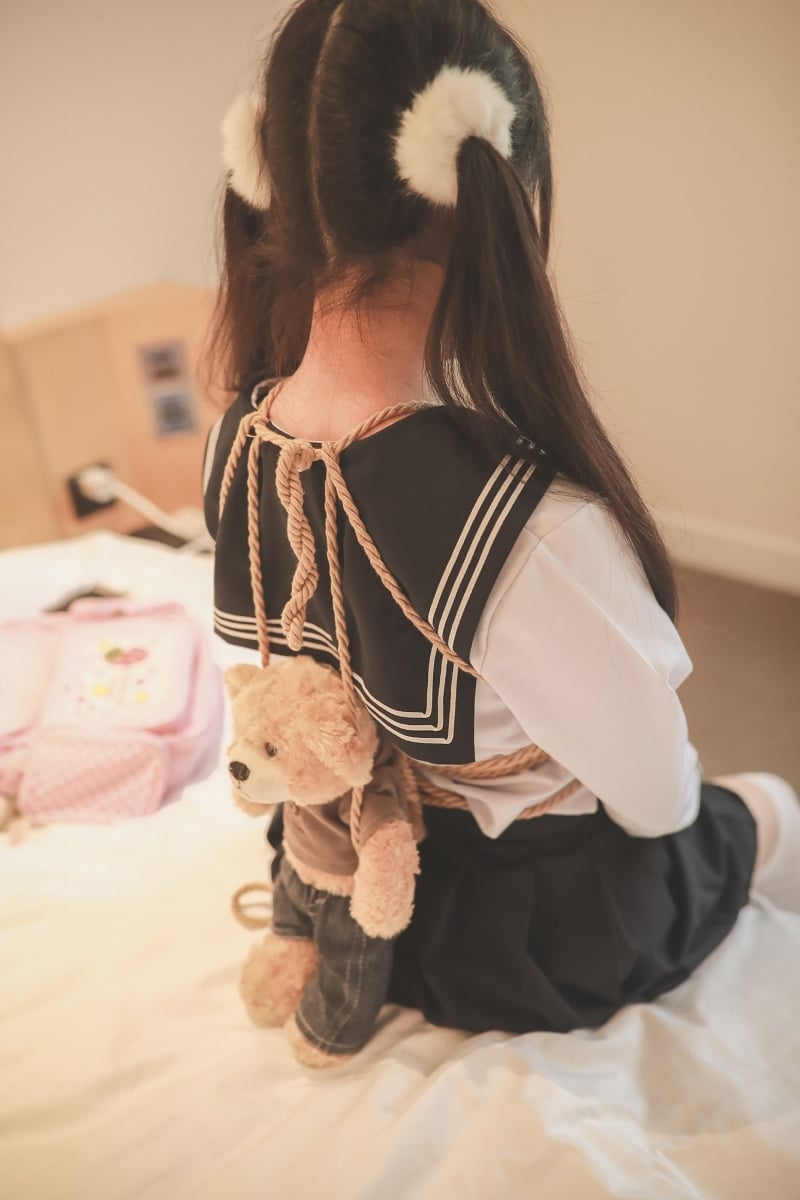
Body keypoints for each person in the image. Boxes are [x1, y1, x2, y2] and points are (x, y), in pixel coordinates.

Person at [203, 0, 800, 1050]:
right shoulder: (531, 529)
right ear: (482, 195)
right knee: (771, 807)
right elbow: (657, 800)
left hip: (364, 888)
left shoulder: (240, 443)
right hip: (528, 936)